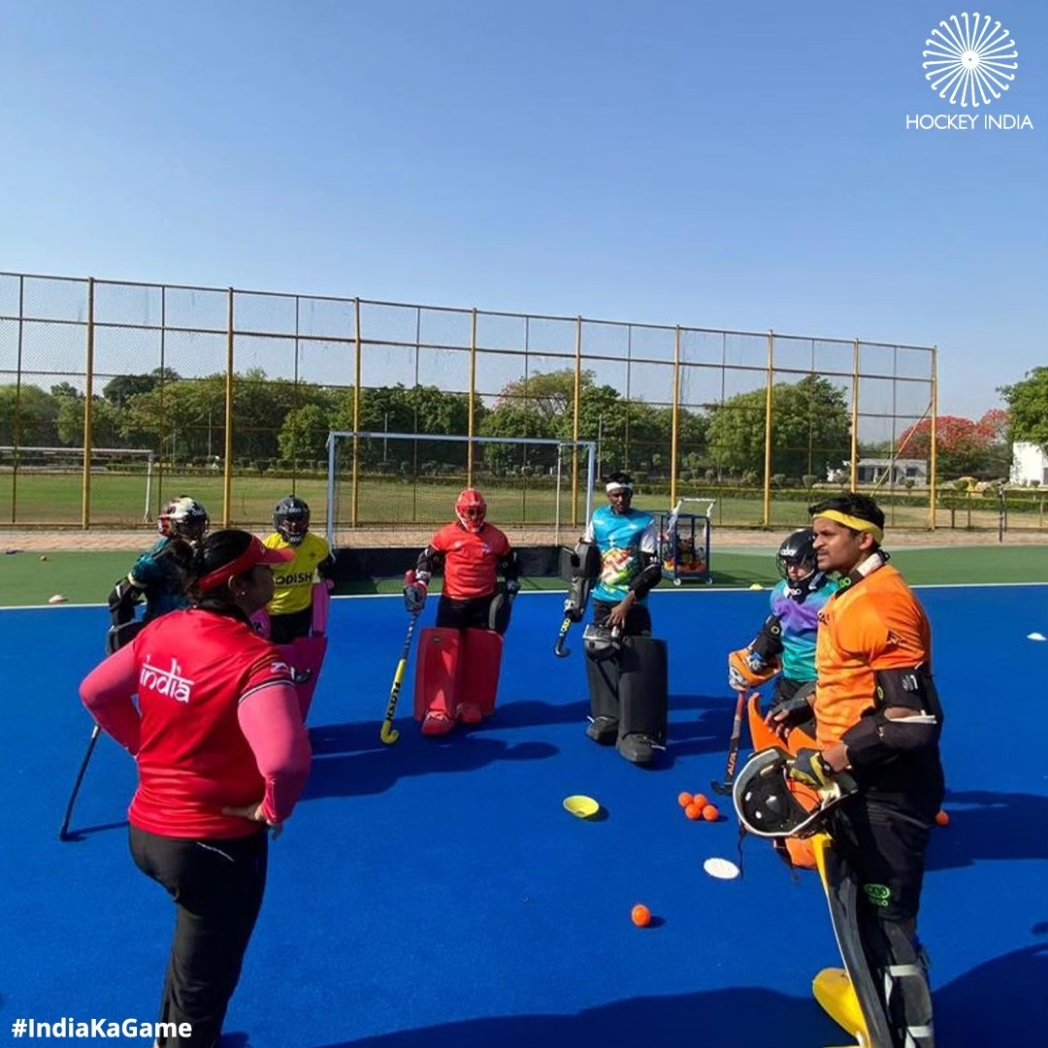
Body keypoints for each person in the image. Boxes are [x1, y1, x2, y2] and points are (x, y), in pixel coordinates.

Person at [79, 530, 312, 1048]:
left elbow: (95, 692)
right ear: (239, 586)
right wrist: (272, 810)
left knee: (193, 960)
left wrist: (143, 747)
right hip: (213, 846)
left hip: (147, 831)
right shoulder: (256, 660)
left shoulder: (163, 630)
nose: (273, 577)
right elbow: (286, 760)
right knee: (205, 983)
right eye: (265, 570)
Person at [788, 494, 944, 1045]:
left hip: (888, 789)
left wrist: (830, 757)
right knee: (857, 915)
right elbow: (860, 682)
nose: (816, 542)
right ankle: (875, 1013)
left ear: (864, 539)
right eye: (816, 533)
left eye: (829, 534)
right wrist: (808, 703)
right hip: (856, 783)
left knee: (887, 924)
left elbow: (912, 722)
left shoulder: (883, 604)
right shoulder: (851, 592)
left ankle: (910, 1036)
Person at [403, 488, 520, 735]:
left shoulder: (496, 537)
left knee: (478, 656)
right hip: (453, 603)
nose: (476, 516)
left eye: (479, 511)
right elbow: (427, 560)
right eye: (471, 512)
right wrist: (422, 584)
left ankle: (471, 702)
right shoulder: (446, 535)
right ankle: (439, 709)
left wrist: (510, 587)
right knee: (444, 656)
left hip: (483, 604)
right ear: (460, 511)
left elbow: (510, 563)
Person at [580, 471, 665, 764]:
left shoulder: (645, 523)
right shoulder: (598, 519)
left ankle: (637, 730)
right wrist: (577, 595)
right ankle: (609, 716)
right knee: (602, 655)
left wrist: (628, 602)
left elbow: (653, 570)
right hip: (603, 601)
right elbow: (585, 557)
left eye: (625, 494)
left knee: (636, 661)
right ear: (608, 496)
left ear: (631, 494)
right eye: (615, 495)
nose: (621, 499)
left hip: (633, 604)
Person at [728, 527, 839, 745]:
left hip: (819, 683)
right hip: (789, 679)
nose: (793, 571)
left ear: (817, 563)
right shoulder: (780, 593)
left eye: (802, 564)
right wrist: (756, 656)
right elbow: (776, 627)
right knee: (775, 736)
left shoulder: (833, 598)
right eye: (789, 564)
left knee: (805, 743)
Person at [106, 497, 209, 651]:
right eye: (189, 526)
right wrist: (122, 634)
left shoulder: (208, 552)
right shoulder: (155, 560)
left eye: (199, 525)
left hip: (198, 631)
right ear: (171, 526)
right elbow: (120, 596)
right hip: (162, 636)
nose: (196, 532)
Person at [262, 495, 334, 645]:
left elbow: (328, 568)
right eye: (290, 520)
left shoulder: (319, 545)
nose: (295, 525)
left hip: (303, 613)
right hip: (273, 614)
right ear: (280, 522)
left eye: (299, 519)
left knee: (301, 660)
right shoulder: (268, 547)